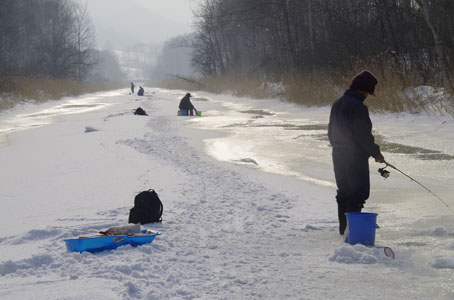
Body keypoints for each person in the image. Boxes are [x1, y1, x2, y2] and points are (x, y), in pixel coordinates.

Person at [327, 70, 385, 235]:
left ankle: (343, 231)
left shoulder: (337, 103)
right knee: (358, 193)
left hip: (337, 153)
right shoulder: (359, 107)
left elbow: (331, 131)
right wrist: (376, 153)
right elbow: (363, 136)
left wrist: (337, 147)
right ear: (364, 89)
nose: (368, 95)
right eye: (369, 91)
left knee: (344, 192)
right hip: (354, 156)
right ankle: (352, 234)